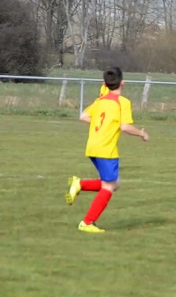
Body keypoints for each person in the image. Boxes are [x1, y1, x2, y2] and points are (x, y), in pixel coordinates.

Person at [65, 68, 149, 233]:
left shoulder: (100, 100)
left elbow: (83, 116)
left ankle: (79, 184)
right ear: (123, 83)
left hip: (92, 146)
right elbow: (125, 127)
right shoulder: (122, 102)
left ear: (105, 84)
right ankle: (87, 222)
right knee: (109, 187)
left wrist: (102, 125)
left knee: (114, 183)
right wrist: (142, 134)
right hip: (106, 149)